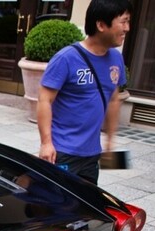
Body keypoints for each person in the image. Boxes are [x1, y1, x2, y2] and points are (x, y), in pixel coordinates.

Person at [37, 0, 131, 184]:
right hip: (62, 151)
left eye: (129, 21)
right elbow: (44, 100)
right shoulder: (66, 58)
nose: (127, 28)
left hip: (92, 152)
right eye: (123, 21)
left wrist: (110, 140)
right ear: (101, 25)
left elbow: (113, 100)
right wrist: (46, 143)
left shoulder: (116, 58)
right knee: (56, 204)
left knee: (87, 205)